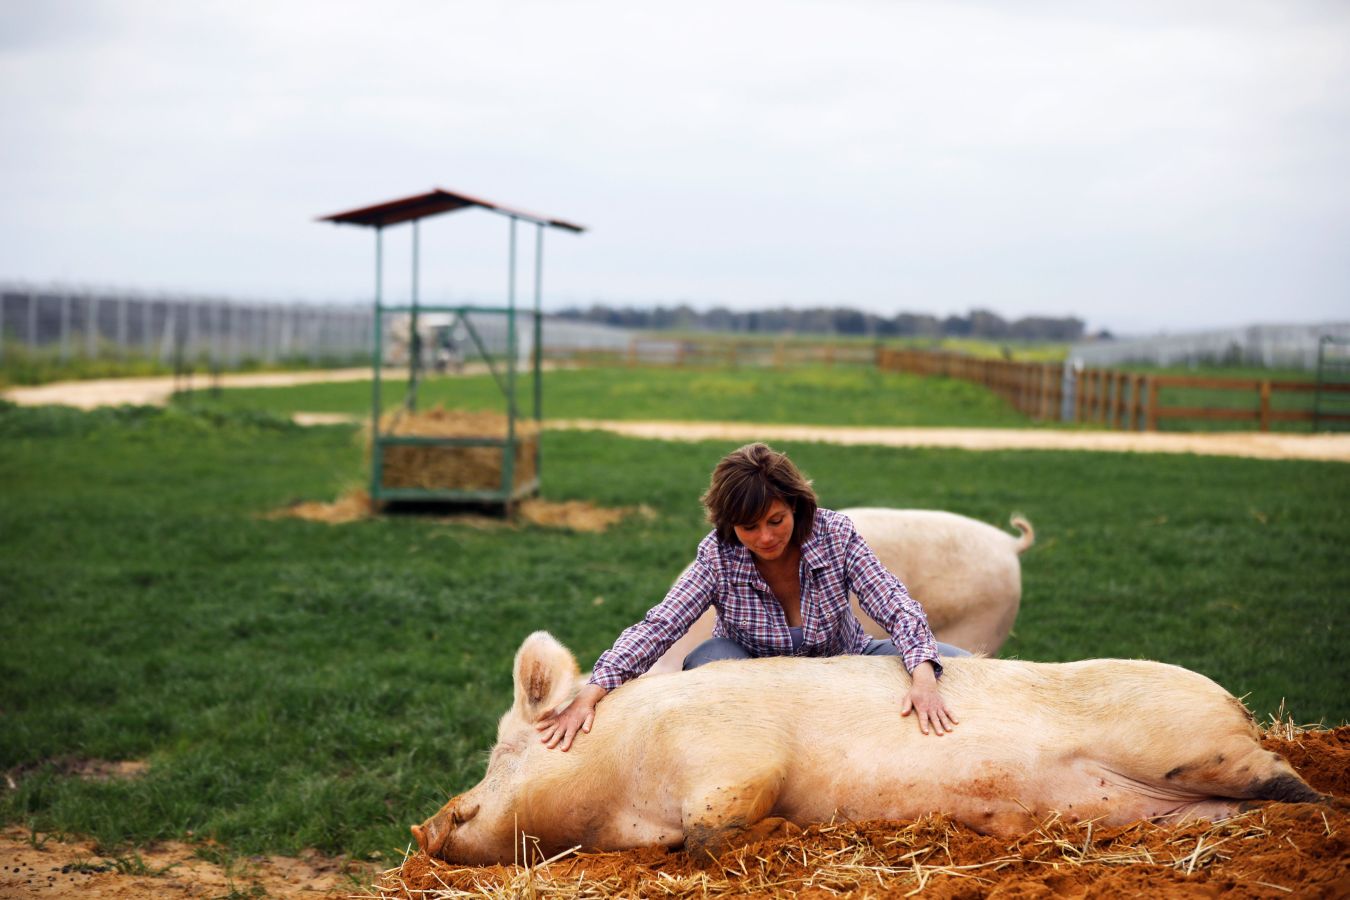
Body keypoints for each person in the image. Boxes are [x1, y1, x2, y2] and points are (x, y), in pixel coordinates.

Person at [538, 442, 964, 752]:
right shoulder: (717, 555)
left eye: (776, 520)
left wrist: (923, 675)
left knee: (957, 663)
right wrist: (592, 692)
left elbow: (892, 601)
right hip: (752, 674)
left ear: (795, 505)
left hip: (844, 659)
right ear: (730, 525)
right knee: (706, 661)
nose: (765, 537)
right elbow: (661, 625)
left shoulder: (835, 533)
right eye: (748, 527)